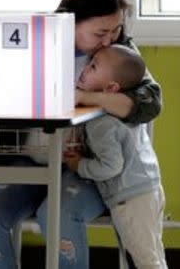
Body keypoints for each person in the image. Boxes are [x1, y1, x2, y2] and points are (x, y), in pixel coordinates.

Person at [0, 0, 162, 269]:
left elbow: (150, 102)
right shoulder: (36, 44)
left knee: (57, 215)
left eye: (115, 29)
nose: (108, 39)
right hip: (27, 165)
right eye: (100, 33)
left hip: (85, 169)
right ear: (71, 22)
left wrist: (88, 98)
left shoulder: (118, 53)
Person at [63, 44, 167, 269]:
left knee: (145, 262)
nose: (85, 69)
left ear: (111, 87)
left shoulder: (101, 122)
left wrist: (79, 164)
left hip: (130, 198)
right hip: (150, 188)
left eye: (93, 66)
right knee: (153, 255)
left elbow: (111, 166)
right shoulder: (123, 110)